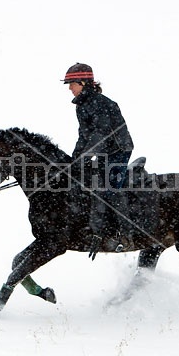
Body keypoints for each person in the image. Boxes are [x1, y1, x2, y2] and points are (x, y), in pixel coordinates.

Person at [62, 63, 134, 260]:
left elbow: (100, 134)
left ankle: (124, 235)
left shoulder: (101, 103)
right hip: (102, 151)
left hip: (119, 150)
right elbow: (83, 136)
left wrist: (85, 157)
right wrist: (73, 160)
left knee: (109, 188)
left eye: (71, 84)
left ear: (83, 83)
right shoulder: (81, 106)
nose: (69, 88)